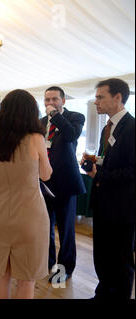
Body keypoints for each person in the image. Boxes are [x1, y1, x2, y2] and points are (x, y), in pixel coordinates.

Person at [0, 89, 52, 299]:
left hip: (2, 213)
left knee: (3, 272)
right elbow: (46, 175)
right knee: (26, 278)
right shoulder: (36, 138)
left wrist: (5, 184)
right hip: (31, 214)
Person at [82, 78, 134, 299]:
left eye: (100, 97)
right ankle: (103, 292)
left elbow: (132, 172)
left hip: (122, 207)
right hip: (104, 202)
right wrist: (94, 163)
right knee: (102, 255)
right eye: (95, 98)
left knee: (120, 259)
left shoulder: (132, 128)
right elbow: (111, 160)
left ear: (118, 97)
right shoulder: (108, 126)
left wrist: (98, 174)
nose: (96, 102)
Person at [40, 86, 86, 284]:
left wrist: (55, 116)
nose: (50, 103)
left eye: (54, 99)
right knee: (45, 227)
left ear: (63, 101)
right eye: (47, 100)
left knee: (66, 230)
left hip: (65, 183)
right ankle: (47, 262)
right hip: (44, 183)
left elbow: (70, 136)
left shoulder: (75, 117)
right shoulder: (40, 123)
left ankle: (64, 269)